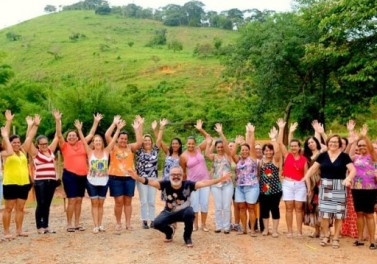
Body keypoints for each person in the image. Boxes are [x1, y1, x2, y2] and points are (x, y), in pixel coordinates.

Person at [127, 165, 231, 247]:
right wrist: (137, 178)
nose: (175, 176)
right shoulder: (165, 184)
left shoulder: (188, 184)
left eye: (178, 174)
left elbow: (204, 182)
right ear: (169, 175)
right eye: (173, 174)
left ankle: (187, 237)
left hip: (184, 213)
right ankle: (169, 232)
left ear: (183, 176)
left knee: (190, 212)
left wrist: (220, 180)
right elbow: (150, 182)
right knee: (156, 224)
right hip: (169, 213)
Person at [304, 134, 356, 249]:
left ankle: (336, 237)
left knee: (338, 215)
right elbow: (313, 168)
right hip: (325, 185)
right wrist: (306, 177)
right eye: (331, 142)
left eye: (336, 142)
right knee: (325, 214)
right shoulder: (322, 155)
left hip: (339, 186)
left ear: (339, 144)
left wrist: (348, 178)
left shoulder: (344, 156)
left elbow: (353, 170)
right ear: (327, 144)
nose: (333, 144)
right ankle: (326, 235)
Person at [74, 118, 124, 233]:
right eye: (95, 141)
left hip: (104, 181)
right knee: (94, 203)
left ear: (102, 143)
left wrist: (118, 129)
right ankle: (95, 225)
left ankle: (101, 224)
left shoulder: (106, 151)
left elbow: (113, 140)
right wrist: (79, 130)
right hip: (91, 181)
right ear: (94, 143)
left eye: (99, 141)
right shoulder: (89, 152)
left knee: (101, 203)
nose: (97, 142)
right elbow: (83, 140)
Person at [57, 113, 103, 232]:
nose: (71, 137)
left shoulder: (82, 144)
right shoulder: (64, 146)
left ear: (77, 137)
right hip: (69, 175)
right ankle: (69, 224)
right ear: (67, 138)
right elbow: (59, 135)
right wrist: (58, 121)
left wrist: (96, 121)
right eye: (69, 136)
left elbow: (91, 134)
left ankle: (77, 223)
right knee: (72, 200)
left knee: (79, 200)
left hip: (82, 176)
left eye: (74, 135)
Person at [22, 111, 60, 234]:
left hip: (51, 181)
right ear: (38, 145)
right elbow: (28, 140)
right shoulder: (35, 153)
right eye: (42, 144)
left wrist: (57, 121)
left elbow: (57, 136)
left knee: (47, 204)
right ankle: (40, 227)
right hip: (40, 182)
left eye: (45, 143)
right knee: (41, 203)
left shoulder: (51, 150)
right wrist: (34, 126)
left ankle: (46, 225)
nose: (44, 145)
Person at [105, 115, 143, 232]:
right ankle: (118, 223)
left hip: (129, 177)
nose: (123, 141)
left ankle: (128, 223)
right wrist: (114, 124)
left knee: (128, 201)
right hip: (115, 178)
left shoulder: (130, 147)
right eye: (121, 138)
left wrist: (138, 128)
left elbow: (140, 142)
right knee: (119, 201)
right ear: (118, 139)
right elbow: (107, 135)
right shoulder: (113, 146)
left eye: (125, 139)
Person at [2, 110, 32, 239]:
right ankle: (7, 232)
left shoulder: (23, 152)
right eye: (14, 142)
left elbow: (29, 137)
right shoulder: (6, 153)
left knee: (20, 208)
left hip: (23, 183)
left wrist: (31, 126)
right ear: (10, 143)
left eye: (18, 142)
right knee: (8, 208)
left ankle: (19, 230)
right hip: (10, 183)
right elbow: (5, 135)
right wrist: (8, 121)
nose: (17, 144)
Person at [277, 119, 308, 238]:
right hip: (287, 183)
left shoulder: (304, 159)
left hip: (300, 184)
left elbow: (306, 174)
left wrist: (308, 187)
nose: (293, 148)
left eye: (295, 146)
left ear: (299, 147)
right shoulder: (287, 155)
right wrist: (281, 128)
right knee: (289, 207)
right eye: (292, 146)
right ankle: (290, 231)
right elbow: (280, 143)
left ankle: (299, 231)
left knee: (299, 208)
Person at [180, 120, 211, 231]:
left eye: (192, 143)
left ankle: (204, 224)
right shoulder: (183, 156)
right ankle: (195, 225)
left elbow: (209, 138)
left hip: (205, 181)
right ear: (186, 144)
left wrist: (200, 129)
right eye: (189, 144)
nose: (191, 145)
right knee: (194, 204)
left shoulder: (199, 149)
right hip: (193, 183)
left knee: (205, 203)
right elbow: (183, 172)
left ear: (195, 144)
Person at [231, 123, 259, 236]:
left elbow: (251, 145)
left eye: (246, 150)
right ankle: (244, 229)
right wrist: (237, 144)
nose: (244, 152)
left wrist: (251, 133)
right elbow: (232, 153)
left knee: (251, 207)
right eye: (242, 150)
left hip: (252, 186)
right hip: (240, 187)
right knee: (242, 207)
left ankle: (252, 229)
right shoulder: (238, 160)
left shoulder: (252, 158)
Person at [349, 135, 377, 249]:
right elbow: (346, 156)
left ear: (368, 145)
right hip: (356, 189)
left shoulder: (374, 157)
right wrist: (352, 141)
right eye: (359, 145)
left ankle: (372, 241)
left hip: (371, 189)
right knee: (359, 213)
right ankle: (359, 239)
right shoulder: (356, 157)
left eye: (364, 145)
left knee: (369, 214)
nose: (361, 147)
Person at [205, 123, 233, 234]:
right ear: (216, 148)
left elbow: (226, 146)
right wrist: (211, 143)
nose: (220, 148)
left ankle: (226, 227)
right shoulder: (214, 157)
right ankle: (218, 225)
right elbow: (207, 153)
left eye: (221, 147)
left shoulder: (228, 156)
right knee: (218, 206)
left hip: (227, 184)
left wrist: (221, 133)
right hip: (216, 184)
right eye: (218, 147)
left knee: (226, 206)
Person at [135, 119, 162, 229]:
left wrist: (161, 127)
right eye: (145, 140)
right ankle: (144, 220)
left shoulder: (155, 150)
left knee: (151, 201)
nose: (147, 142)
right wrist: (141, 125)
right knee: (144, 201)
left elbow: (159, 139)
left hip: (153, 179)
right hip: (142, 179)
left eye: (149, 140)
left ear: (151, 142)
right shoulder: (139, 150)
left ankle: (152, 220)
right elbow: (139, 138)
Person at [258, 126, 282, 237]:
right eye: (266, 150)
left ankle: (275, 230)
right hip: (263, 190)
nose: (268, 152)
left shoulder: (275, 160)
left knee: (275, 209)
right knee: (264, 210)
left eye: (270, 150)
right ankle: (266, 229)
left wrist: (273, 139)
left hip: (275, 190)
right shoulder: (261, 162)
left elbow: (278, 150)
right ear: (263, 152)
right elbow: (259, 175)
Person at [303, 135, 322, 238]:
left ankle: (324, 230)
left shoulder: (323, 153)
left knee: (321, 207)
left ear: (317, 142)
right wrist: (309, 187)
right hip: (311, 182)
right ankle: (316, 230)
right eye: (308, 143)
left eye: (312, 142)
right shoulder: (306, 156)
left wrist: (319, 132)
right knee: (312, 206)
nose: (310, 144)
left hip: (321, 182)